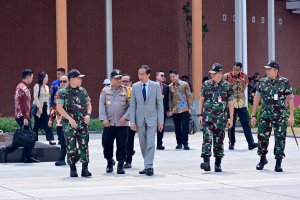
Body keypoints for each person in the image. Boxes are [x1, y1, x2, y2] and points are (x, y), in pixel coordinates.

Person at [251, 61, 294, 172]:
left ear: (276, 70)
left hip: (280, 116)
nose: (267, 71)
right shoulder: (262, 82)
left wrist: (291, 116)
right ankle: (262, 159)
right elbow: (257, 98)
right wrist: (253, 115)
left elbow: (290, 99)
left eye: (269, 69)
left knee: (280, 138)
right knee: (262, 138)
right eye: (266, 69)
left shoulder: (284, 82)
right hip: (265, 115)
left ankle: (278, 163)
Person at [198, 63, 234, 172]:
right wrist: (199, 114)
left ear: (220, 73)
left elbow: (230, 103)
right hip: (207, 118)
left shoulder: (227, 85)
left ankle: (218, 164)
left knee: (219, 141)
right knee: (207, 138)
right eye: (211, 74)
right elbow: (201, 99)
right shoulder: (206, 84)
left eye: (214, 74)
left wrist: (231, 118)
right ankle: (206, 162)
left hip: (221, 119)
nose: (212, 76)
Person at [56, 69, 92, 177]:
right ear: (72, 79)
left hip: (82, 123)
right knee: (71, 146)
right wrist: (70, 119)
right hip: (69, 124)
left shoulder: (83, 91)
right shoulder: (62, 92)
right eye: (79, 78)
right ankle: (73, 169)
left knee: (84, 145)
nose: (81, 80)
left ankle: (85, 169)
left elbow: (89, 104)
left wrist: (88, 115)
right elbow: (59, 108)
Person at [130, 65, 164, 176]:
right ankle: (147, 164)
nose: (140, 76)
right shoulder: (135, 86)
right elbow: (132, 105)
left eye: (142, 74)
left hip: (152, 119)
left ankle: (149, 166)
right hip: (139, 119)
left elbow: (159, 104)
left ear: (148, 75)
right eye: (139, 74)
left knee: (150, 143)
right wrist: (132, 121)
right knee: (143, 144)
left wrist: (161, 121)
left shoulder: (155, 86)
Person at [4, 69, 40, 163]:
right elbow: (24, 104)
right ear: (28, 77)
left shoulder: (19, 86)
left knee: (25, 137)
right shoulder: (24, 88)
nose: (32, 79)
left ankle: (26, 156)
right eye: (32, 77)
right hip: (23, 116)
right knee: (29, 137)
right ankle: (9, 151)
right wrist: (25, 117)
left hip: (20, 115)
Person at [99, 69, 130, 174]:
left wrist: (126, 117)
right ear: (111, 79)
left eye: (120, 78)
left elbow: (131, 106)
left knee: (122, 145)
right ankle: (109, 162)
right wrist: (104, 118)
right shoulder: (105, 90)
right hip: (109, 123)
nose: (118, 80)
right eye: (116, 78)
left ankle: (120, 165)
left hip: (122, 123)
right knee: (106, 144)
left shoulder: (127, 90)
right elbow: (102, 105)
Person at [223, 62, 258, 150]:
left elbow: (245, 87)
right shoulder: (226, 76)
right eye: (234, 69)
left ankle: (251, 143)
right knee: (231, 123)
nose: (235, 72)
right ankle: (231, 142)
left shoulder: (245, 76)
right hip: (231, 104)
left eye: (237, 70)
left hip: (241, 103)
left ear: (240, 69)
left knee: (246, 123)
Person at [168, 69, 193, 150]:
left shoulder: (184, 84)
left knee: (185, 126)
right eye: (171, 77)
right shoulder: (170, 86)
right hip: (175, 110)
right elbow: (169, 99)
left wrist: (190, 107)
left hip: (184, 108)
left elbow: (189, 95)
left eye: (173, 76)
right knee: (177, 127)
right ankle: (179, 143)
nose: (172, 78)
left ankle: (185, 143)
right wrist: (170, 110)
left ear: (177, 75)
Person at [48, 75, 69, 166]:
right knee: (63, 140)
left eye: (64, 81)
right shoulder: (58, 93)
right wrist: (51, 119)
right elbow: (55, 107)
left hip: (75, 120)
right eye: (60, 81)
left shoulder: (74, 92)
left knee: (76, 139)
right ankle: (62, 158)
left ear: (69, 82)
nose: (62, 83)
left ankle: (77, 156)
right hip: (63, 121)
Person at [32, 72, 56, 145]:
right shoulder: (37, 86)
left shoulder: (47, 87)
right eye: (47, 77)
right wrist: (39, 107)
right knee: (36, 124)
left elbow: (47, 97)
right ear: (43, 78)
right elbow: (35, 97)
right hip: (38, 107)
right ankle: (34, 140)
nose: (48, 78)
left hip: (46, 108)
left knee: (47, 124)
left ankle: (50, 139)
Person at [121, 74, 136, 169]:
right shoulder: (118, 91)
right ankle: (124, 156)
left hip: (131, 120)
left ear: (131, 83)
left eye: (127, 81)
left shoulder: (133, 91)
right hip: (119, 120)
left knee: (129, 140)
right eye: (123, 81)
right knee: (122, 141)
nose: (125, 83)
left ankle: (128, 160)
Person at [49, 68, 66, 142]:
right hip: (57, 108)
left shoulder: (69, 85)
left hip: (67, 110)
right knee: (59, 124)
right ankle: (60, 139)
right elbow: (51, 95)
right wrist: (51, 105)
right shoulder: (54, 84)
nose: (57, 75)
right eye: (57, 74)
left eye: (59, 74)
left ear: (63, 74)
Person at [155, 71, 169, 150]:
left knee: (161, 127)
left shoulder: (166, 87)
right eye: (161, 75)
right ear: (156, 77)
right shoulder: (152, 85)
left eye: (164, 75)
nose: (163, 77)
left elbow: (167, 100)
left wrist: (167, 110)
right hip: (153, 110)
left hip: (162, 110)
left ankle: (159, 144)